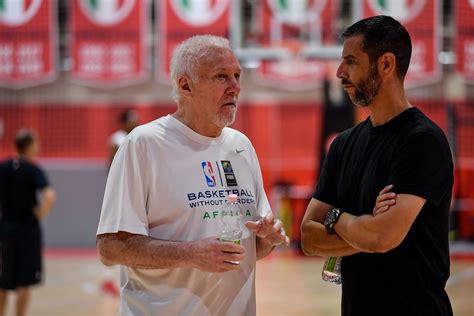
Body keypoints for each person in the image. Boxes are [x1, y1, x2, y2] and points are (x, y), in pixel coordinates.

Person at [96, 35, 290, 315]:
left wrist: (266, 239)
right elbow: (111, 248)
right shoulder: (144, 144)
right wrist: (190, 254)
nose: (235, 87)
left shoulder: (241, 147)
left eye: (237, 75)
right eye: (221, 76)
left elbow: (249, 249)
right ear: (185, 85)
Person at [300, 15, 454, 316]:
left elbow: (382, 237)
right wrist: (365, 225)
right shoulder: (344, 145)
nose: (339, 72)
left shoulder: (423, 142)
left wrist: (335, 217)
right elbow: (308, 237)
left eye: (351, 61)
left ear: (385, 65)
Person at [0, 129, 56, 316]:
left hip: (5, 229)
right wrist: (40, 213)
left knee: (3, 281)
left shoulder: (4, 167)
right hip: (27, 231)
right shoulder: (33, 169)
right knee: (24, 281)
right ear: (29, 145)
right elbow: (49, 195)